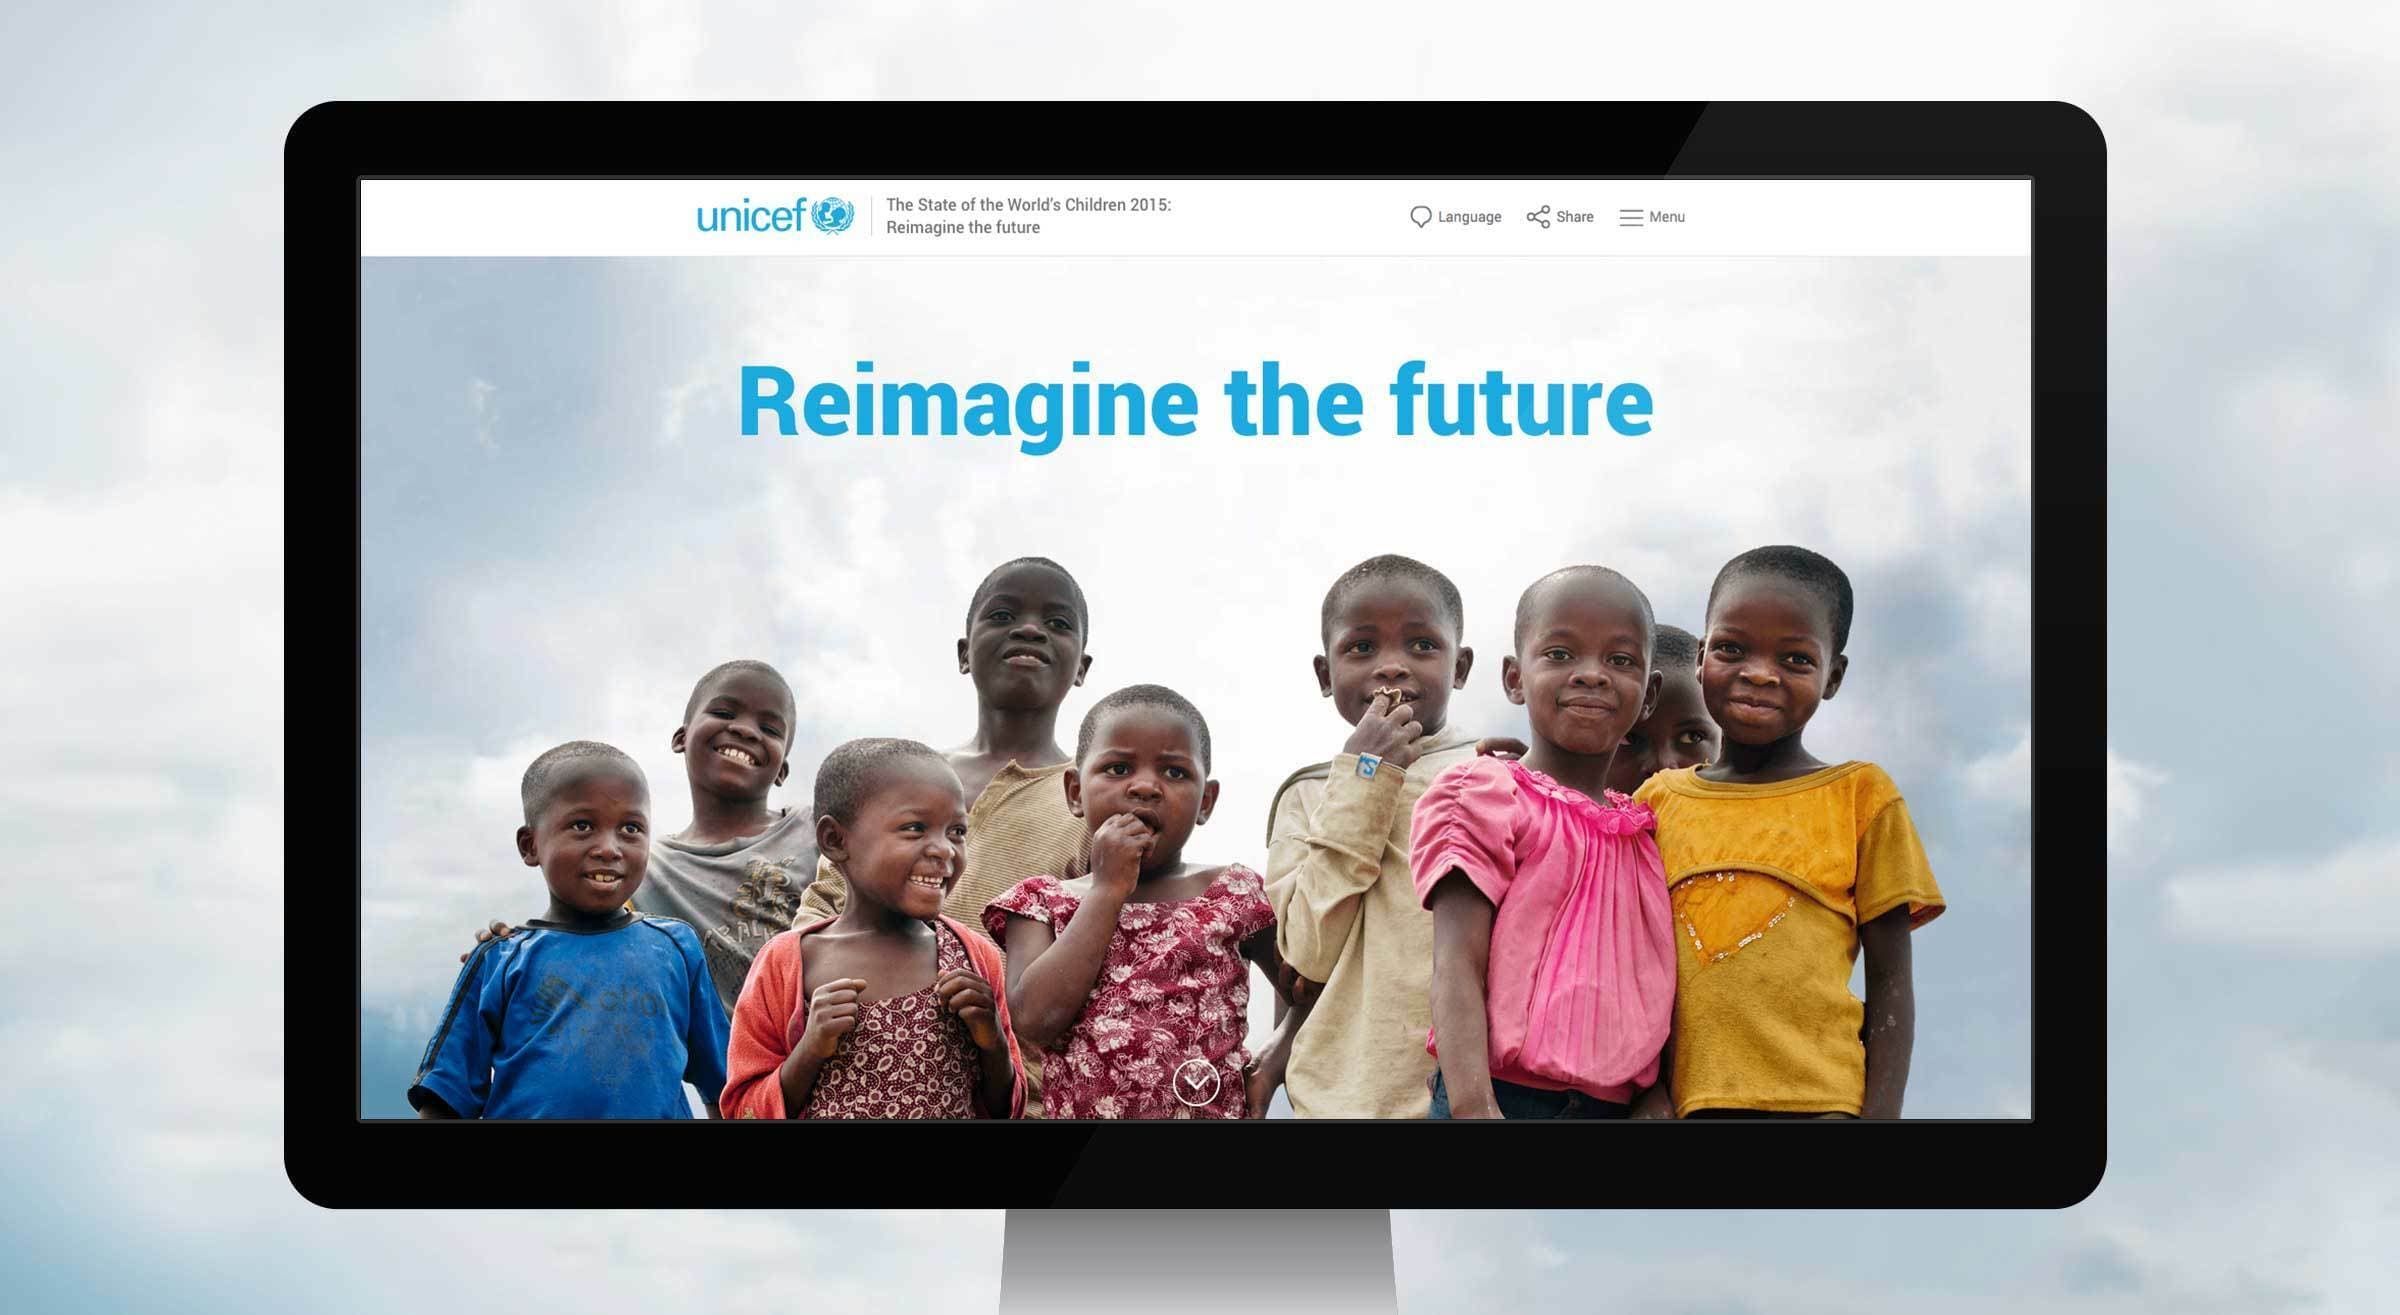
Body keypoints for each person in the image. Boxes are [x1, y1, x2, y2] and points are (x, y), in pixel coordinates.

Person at [1633, 545, 1947, 1119]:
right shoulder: (1657, 802)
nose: (1759, 673)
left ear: (1834, 677)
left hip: (1822, 1103)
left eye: (1796, 659)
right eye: (1732, 649)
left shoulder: (1859, 796)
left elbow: (1891, 979)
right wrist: (1649, 1093)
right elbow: (1629, 961)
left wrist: (1880, 1118)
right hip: (1688, 1105)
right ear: (1701, 657)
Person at [1412, 567, 1677, 1119]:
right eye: (1559, 654)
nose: (1592, 675)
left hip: (1615, 1108)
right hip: (1501, 1097)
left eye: (1620, 660)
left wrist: (1655, 1094)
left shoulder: (1646, 832)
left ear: (1649, 694)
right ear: (1514, 678)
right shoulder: (1487, 791)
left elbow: (1659, 985)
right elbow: (1456, 961)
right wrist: (1473, 1106)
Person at [987, 685, 1300, 1118]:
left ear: (1205, 802)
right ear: (1075, 792)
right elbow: (1035, 1021)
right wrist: (1106, 891)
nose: (1146, 787)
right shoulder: (1042, 902)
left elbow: (1310, 990)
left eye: (1174, 773)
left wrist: (1271, 1062)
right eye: (1117, 768)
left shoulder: (1235, 892)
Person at [460, 660, 819, 1019]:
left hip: (841, 1045)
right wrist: (509, 955)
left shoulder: (815, 829)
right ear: (681, 737)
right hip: (737, 1067)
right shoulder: (639, 865)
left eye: (770, 728)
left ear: (782, 770)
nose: (745, 730)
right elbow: (579, 936)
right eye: (724, 711)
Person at [1262, 555, 1478, 1118]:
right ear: (1324, 674)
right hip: (1345, 1100)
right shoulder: (1307, 795)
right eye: (1361, 648)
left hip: (1478, 1098)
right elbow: (1305, 952)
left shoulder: (1495, 774)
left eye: (1422, 646)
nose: (1391, 668)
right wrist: (1366, 776)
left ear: (1460, 667)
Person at [411, 742, 728, 1119]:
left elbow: (723, 1088)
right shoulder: (500, 957)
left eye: (631, 828)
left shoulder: (677, 948)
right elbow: (444, 1097)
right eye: (582, 826)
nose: (609, 848)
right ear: (531, 846)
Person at [720, 739, 1022, 1119]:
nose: (944, 849)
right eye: (915, 828)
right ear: (835, 840)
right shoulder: (786, 962)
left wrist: (991, 1041)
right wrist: (810, 1049)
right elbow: (742, 1109)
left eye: (957, 832)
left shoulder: (974, 957)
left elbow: (1004, 1108)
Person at [799, 558, 1093, 944]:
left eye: (1058, 624)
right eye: (1003, 615)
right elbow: (820, 910)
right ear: (964, 654)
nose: (1029, 629)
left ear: (1081, 669)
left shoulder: (1092, 802)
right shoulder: (894, 777)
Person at [1605, 624, 1720, 796]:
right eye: (1629, 738)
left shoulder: (1757, 820)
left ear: (1724, 743)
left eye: (1692, 737)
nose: (1662, 767)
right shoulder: (1558, 819)